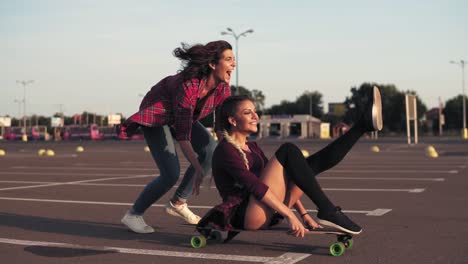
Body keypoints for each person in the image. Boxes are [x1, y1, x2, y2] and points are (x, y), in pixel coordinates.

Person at [197, 87, 383, 238]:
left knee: (309, 166)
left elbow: (283, 182)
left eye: (255, 111)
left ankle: (361, 126)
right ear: (232, 120)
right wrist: (289, 214)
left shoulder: (252, 147)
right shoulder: (226, 150)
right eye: (248, 113)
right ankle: (328, 211)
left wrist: (303, 214)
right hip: (246, 214)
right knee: (287, 150)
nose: (255, 116)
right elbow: (256, 187)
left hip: (264, 209)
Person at [120, 40, 235, 233]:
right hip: (157, 114)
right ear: (213, 65)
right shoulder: (189, 86)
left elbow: (220, 127)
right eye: (229, 59)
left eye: (234, 60)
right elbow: (183, 136)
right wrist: (198, 169)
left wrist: (230, 156)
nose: (234, 64)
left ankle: (178, 203)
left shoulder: (223, 88)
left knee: (211, 149)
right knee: (170, 174)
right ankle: (133, 215)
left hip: (180, 116)